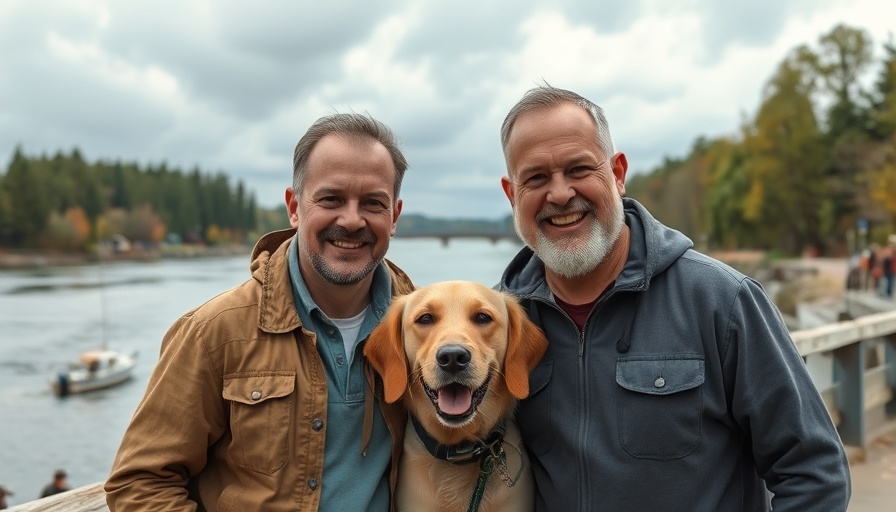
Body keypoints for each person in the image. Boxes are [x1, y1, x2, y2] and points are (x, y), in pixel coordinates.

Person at [496, 86, 851, 511]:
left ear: (618, 172)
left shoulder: (721, 301)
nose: (558, 194)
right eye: (536, 178)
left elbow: (814, 472)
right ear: (512, 195)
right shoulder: (497, 326)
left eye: (578, 169)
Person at [105, 113, 415, 511]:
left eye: (373, 203)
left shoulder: (429, 331)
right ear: (294, 207)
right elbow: (140, 483)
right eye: (331, 199)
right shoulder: (214, 332)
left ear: (395, 216)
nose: (352, 220)